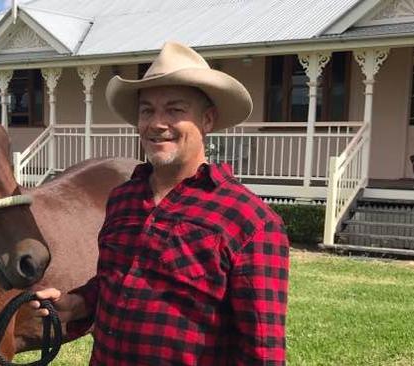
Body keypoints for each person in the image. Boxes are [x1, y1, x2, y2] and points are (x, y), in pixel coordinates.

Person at [30, 41, 290, 365]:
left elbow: (262, 352)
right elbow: (116, 280)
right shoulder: (123, 199)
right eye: (147, 110)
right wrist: (80, 303)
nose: (157, 123)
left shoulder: (250, 222)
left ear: (207, 120)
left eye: (175, 110)